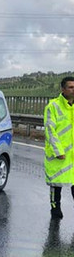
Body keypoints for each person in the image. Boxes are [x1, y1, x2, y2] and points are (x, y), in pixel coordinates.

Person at [44, 76, 74, 219]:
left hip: (73, 155)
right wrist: (58, 151)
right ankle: (55, 208)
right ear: (63, 89)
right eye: (71, 87)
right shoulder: (53, 106)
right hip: (59, 155)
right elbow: (50, 130)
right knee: (56, 184)